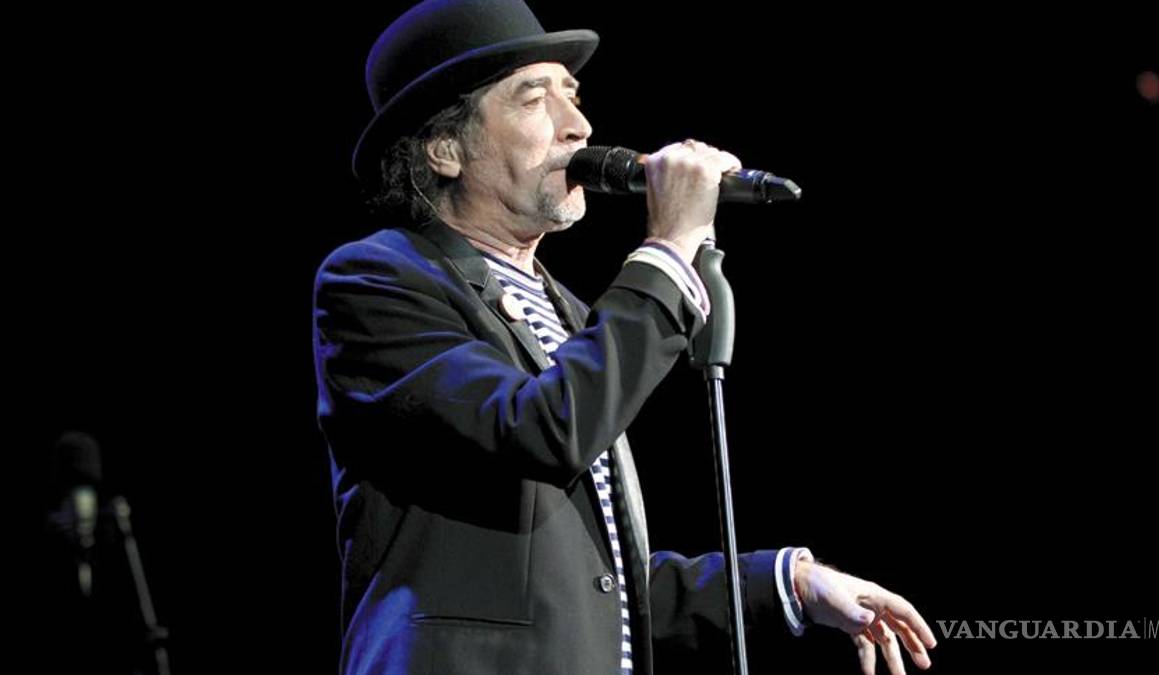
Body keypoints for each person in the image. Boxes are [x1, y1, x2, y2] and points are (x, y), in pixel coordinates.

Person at [313, 1, 937, 673]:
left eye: (574, 96)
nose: (578, 126)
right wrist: (666, 251)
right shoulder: (377, 280)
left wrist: (793, 582)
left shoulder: (571, 313)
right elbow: (543, 429)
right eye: (535, 99)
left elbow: (597, 586)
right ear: (445, 148)